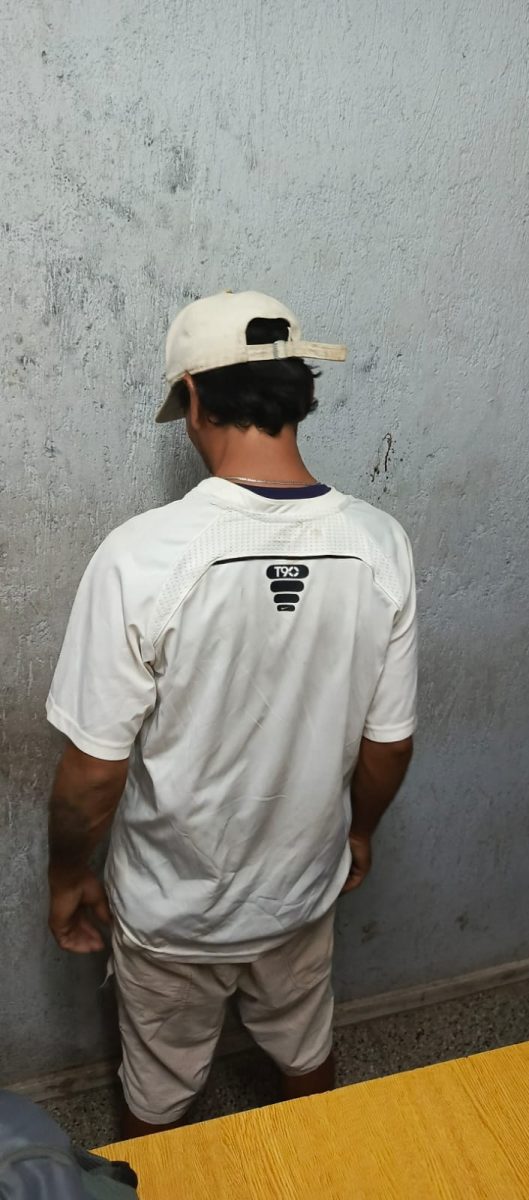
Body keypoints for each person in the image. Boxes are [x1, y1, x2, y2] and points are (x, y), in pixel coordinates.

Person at [47, 290, 416, 1139]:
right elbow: (389, 744)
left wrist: (68, 875)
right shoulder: (380, 543)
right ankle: (323, 1172)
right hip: (301, 892)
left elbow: (92, 773)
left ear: (194, 400)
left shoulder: (142, 554)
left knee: (159, 1096)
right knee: (307, 1049)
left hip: (172, 912)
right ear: (301, 391)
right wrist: (359, 833)